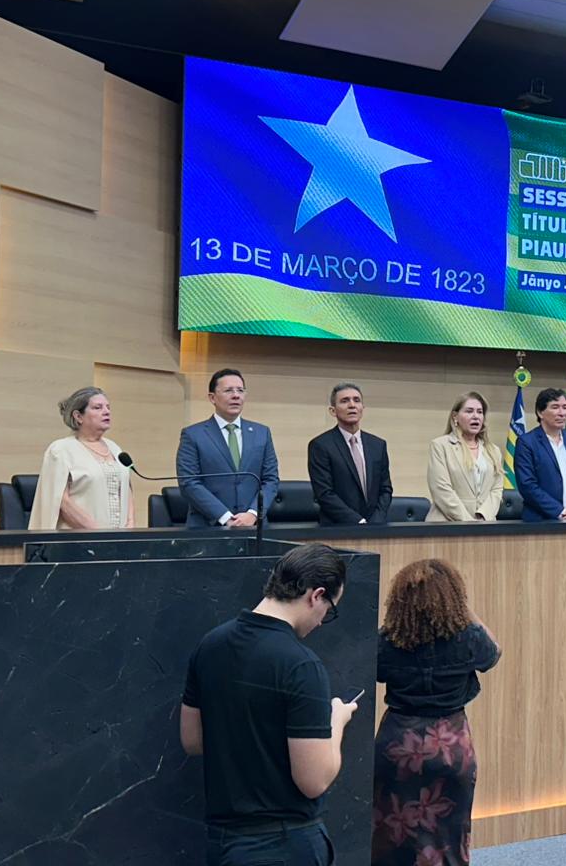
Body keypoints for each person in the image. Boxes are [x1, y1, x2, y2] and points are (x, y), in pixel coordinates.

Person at [180, 544, 358, 866]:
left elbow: (192, 740)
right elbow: (314, 780)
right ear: (316, 595)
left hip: (223, 843)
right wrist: (337, 720)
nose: (322, 622)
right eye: (329, 610)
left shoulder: (210, 645)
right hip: (284, 844)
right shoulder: (301, 665)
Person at [373, 559, 500, 866]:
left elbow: (374, 671)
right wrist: (462, 609)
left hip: (398, 746)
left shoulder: (388, 640)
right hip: (450, 748)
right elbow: (493, 654)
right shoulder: (468, 638)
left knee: (392, 837)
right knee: (449, 840)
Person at [176, 368, 280, 529]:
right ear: (212, 398)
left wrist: (253, 514)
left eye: (240, 390)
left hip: (254, 527)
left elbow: (271, 479)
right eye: (228, 390)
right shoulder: (193, 435)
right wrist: (226, 517)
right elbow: (189, 482)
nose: (236, 395)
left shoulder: (262, 433)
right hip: (208, 527)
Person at [29, 387, 135, 530]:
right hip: (79, 537)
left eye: (108, 407)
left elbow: (126, 489)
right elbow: (61, 500)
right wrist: (98, 532)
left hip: (119, 538)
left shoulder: (115, 448)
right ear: (78, 416)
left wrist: (130, 525)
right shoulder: (61, 450)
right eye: (98, 407)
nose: (106, 412)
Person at [308, 382, 394, 526]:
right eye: (344, 401)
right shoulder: (320, 445)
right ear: (333, 411)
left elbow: (385, 489)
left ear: (362, 408)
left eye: (356, 400)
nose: (352, 405)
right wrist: (359, 522)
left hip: (375, 527)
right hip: (337, 528)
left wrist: (375, 522)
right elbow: (324, 493)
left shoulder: (378, 445)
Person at [513, 388, 566, 522]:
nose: (562, 413)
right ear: (540, 412)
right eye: (555, 407)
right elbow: (527, 485)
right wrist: (561, 512)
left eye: (565, 407)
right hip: (541, 523)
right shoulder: (527, 442)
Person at [426, 391, 504, 522]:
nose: (476, 416)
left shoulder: (493, 451)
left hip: (485, 524)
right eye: (469, 411)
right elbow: (441, 489)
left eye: (480, 412)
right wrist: (468, 522)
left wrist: (483, 516)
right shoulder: (440, 446)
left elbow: (496, 489)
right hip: (447, 523)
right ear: (455, 416)